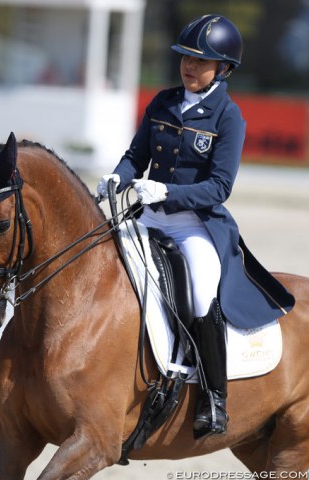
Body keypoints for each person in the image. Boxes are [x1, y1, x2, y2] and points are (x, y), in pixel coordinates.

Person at [97, 14, 295, 439]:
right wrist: (119, 175)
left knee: (203, 296)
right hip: (147, 214)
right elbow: (136, 155)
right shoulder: (162, 101)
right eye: (186, 57)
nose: (189, 66)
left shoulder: (228, 117)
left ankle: (213, 397)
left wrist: (168, 193)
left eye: (201, 61)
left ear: (223, 69)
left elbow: (219, 188)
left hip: (193, 225)